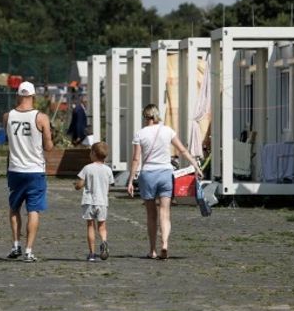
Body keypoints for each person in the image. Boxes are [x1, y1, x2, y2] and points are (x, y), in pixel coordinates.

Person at [126, 104, 201, 260]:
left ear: (146, 117)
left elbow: (136, 159)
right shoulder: (168, 131)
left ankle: (152, 250)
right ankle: (165, 244)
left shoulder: (140, 134)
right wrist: (195, 165)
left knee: (151, 215)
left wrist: (131, 180)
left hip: (148, 175)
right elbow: (182, 150)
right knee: (165, 213)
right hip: (166, 173)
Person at [4, 81, 53, 262]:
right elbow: (48, 146)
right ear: (33, 96)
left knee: (14, 207)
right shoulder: (41, 117)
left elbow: (8, 139)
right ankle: (29, 250)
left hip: (15, 168)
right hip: (35, 169)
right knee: (33, 210)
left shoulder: (8, 116)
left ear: (18, 95)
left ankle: (15, 244)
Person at [74, 142, 113, 261]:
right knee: (102, 226)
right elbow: (109, 185)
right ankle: (104, 242)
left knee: (90, 226)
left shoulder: (87, 168)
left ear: (94, 154)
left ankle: (91, 254)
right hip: (102, 201)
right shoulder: (108, 170)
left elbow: (79, 185)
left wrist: (77, 185)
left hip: (89, 201)